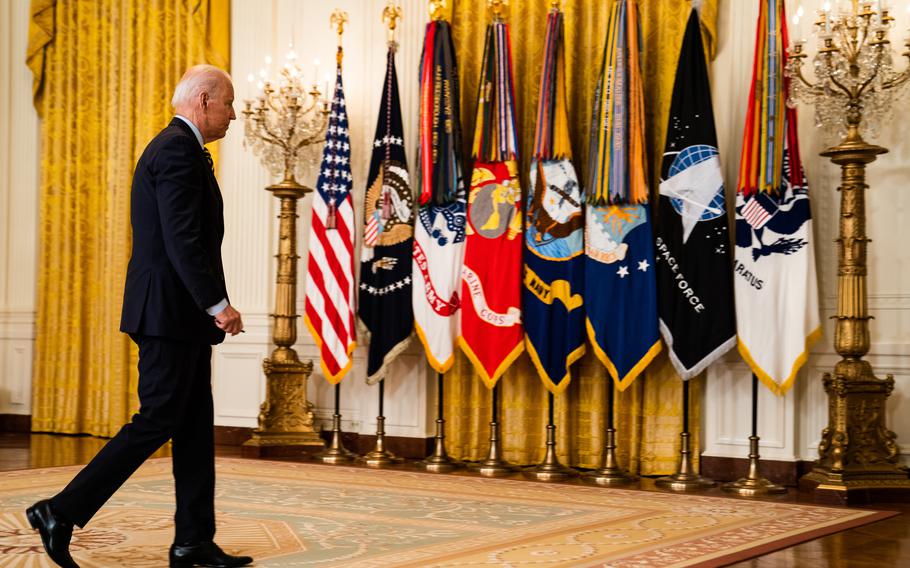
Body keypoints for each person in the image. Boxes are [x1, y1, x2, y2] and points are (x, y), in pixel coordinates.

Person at [26, 65, 252, 568]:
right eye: (229, 103)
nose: (234, 113)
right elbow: (180, 239)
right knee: (156, 421)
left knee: (193, 428)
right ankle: (59, 511)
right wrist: (218, 304)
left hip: (179, 315)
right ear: (202, 100)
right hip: (167, 314)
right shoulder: (174, 149)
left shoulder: (185, 150)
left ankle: (193, 540)